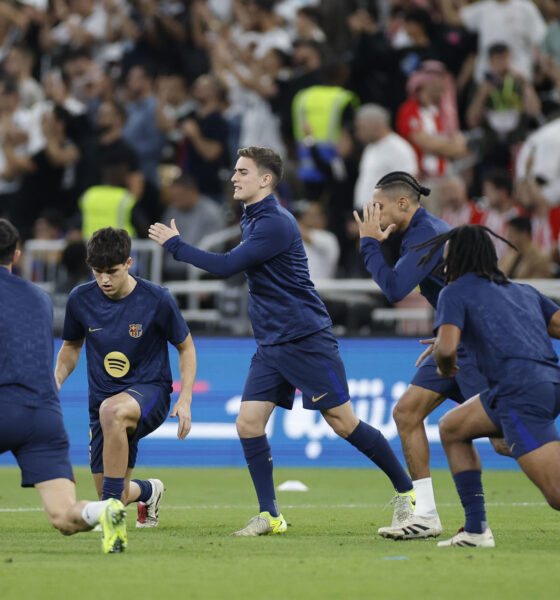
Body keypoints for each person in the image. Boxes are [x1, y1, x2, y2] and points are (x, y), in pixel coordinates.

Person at [149, 146, 414, 536]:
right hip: (272, 343)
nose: (234, 178)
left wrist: (176, 245)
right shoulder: (252, 218)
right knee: (248, 423)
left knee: (343, 422)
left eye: (242, 172)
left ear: (265, 179)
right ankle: (270, 515)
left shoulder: (274, 222)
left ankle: (409, 496)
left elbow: (226, 267)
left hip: (306, 338)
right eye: (234, 171)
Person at [352, 171, 506, 540]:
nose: (374, 214)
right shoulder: (418, 233)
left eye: (380, 206)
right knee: (406, 413)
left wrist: (369, 244)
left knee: (504, 439)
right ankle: (427, 515)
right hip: (451, 343)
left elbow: (393, 288)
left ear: (403, 203)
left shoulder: (426, 234)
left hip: (476, 344)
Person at [413, 224, 560, 547]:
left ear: (458, 258)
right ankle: (476, 529)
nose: (445, 264)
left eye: (448, 257)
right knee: (452, 428)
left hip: (517, 391)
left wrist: (445, 363)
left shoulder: (455, 292)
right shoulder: (523, 291)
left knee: (556, 494)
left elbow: (448, 350)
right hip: (546, 381)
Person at [55, 227, 196, 529]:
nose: (104, 279)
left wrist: (185, 399)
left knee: (113, 411)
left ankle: (111, 525)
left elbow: (186, 347)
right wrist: (56, 380)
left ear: (129, 264)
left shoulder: (157, 299)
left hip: (150, 393)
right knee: (112, 490)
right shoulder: (80, 300)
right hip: (102, 404)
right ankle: (149, 491)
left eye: (112, 272)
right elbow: (70, 347)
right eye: (98, 272)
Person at [0, 219, 127, 554]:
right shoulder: (39, 299)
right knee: (63, 516)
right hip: (43, 415)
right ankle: (101, 510)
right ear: (16, 254)